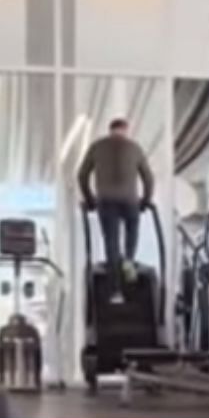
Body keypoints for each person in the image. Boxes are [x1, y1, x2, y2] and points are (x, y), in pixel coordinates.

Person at [78, 118, 157, 302]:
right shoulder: (134, 147)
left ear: (110, 130)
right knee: (132, 231)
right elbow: (148, 178)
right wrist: (145, 201)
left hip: (105, 200)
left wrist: (90, 200)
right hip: (130, 200)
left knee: (111, 243)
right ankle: (129, 259)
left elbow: (82, 175)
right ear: (125, 130)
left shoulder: (97, 147)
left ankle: (115, 292)